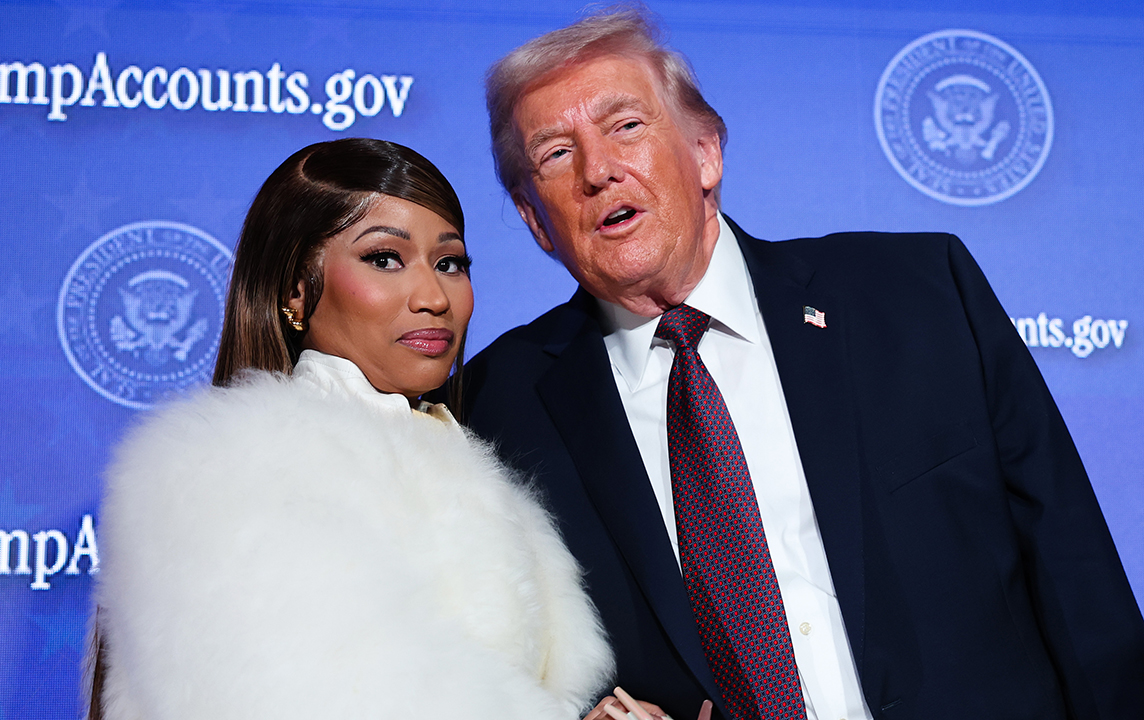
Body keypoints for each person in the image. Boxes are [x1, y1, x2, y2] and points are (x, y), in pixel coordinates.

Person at [461, 9, 1144, 720]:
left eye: (625, 126)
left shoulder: (918, 294)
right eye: (556, 155)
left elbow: (1078, 582)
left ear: (704, 152)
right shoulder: (503, 403)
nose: (599, 170)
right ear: (535, 220)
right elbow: (505, 663)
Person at [84, 138, 613, 720]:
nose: (434, 297)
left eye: (450, 263)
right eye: (384, 258)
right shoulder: (225, 468)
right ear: (295, 289)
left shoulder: (475, 468)